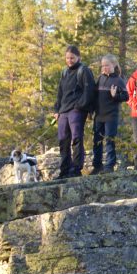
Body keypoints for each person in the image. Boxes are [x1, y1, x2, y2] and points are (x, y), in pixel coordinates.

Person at [52, 44, 96, 179]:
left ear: (78, 57)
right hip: (63, 111)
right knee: (63, 140)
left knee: (76, 139)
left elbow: (89, 92)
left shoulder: (84, 71)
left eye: (72, 58)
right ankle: (64, 170)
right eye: (67, 58)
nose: (69, 60)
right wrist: (56, 109)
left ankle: (76, 169)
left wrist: (79, 106)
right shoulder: (64, 72)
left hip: (77, 111)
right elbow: (60, 92)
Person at [91, 53, 129, 173]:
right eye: (103, 66)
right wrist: (91, 111)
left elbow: (126, 96)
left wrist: (115, 95)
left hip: (111, 116)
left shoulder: (118, 80)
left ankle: (109, 165)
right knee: (97, 141)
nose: (104, 68)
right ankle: (97, 165)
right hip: (98, 115)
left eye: (107, 65)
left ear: (114, 65)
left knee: (109, 140)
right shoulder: (101, 78)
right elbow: (94, 96)